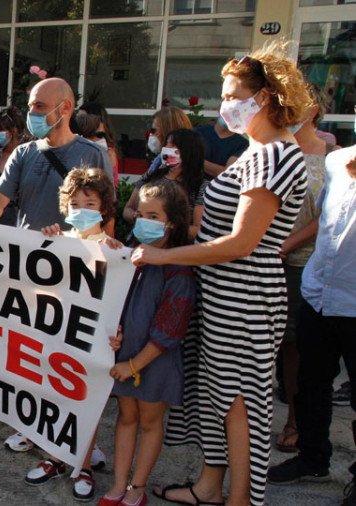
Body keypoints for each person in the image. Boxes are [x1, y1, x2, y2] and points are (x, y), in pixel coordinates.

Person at [136, 46, 309, 506]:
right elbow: (211, 226)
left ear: (267, 98)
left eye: (233, 95)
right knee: (217, 398)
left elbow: (241, 244)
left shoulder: (273, 156)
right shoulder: (255, 153)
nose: (224, 104)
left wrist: (161, 259)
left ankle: (240, 500)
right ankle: (210, 486)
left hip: (245, 299)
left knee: (240, 406)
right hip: (222, 295)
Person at [265, 121, 356, 502]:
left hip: (353, 303)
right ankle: (313, 456)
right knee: (310, 383)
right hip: (320, 294)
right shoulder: (337, 163)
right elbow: (324, 221)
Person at [99, 179, 196, 506]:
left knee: (150, 422)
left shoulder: (178, 268)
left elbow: (171, 327)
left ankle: (136, 489)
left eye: (153, 215)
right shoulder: (130, 257)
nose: (143, 221)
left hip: (154, 363)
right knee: (126, 418)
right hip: (125, 357)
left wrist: (135, 364)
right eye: (140, 213)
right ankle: (118, 485)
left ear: (172, 222)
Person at [21, 168, 116, 500]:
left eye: (90, 202)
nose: (82, 209)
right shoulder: (62, 240)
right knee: (55, 398)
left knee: (85, 403)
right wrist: (47, 242)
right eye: (75, 203)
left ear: (104, 207)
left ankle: (84, 465)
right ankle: (55, 458)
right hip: (57, 336)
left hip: (91, 342)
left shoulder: (113, 250)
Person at [274, 82, 333, 454]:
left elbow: (327, 215)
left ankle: (294, 420)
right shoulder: (276, 151)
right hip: (266, 257)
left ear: (312, 111)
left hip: (301, 263)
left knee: (294, 347)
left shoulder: (333, 159)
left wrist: (287, 245)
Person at [0, 77, 112, 232]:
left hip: (72, 252)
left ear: (65, 108)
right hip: (28, 251)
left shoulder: (94, 155)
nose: (32, 113)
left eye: (40, 106)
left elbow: (107, 217)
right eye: (30, 106)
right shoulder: (22, 153)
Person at [124, 129, 207, 240]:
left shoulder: (200, 186)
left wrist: (164, 228)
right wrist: (140, 219)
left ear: (188, 151)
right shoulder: (152, 175)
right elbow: (127, 210)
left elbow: (197, 229)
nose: (166, 148)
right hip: (139, 242)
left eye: (172, 145)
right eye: (166, 144)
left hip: (176, 251)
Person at [75, 112, 120, 188]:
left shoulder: (108, 156)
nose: (103, 140)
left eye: (104, 135)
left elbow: (111, 189)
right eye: (100, 135)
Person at [146, 107, 192, 171]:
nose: (151, 134)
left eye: (154, 130)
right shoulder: (160, 160)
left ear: (168, 131)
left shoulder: (179, 166)